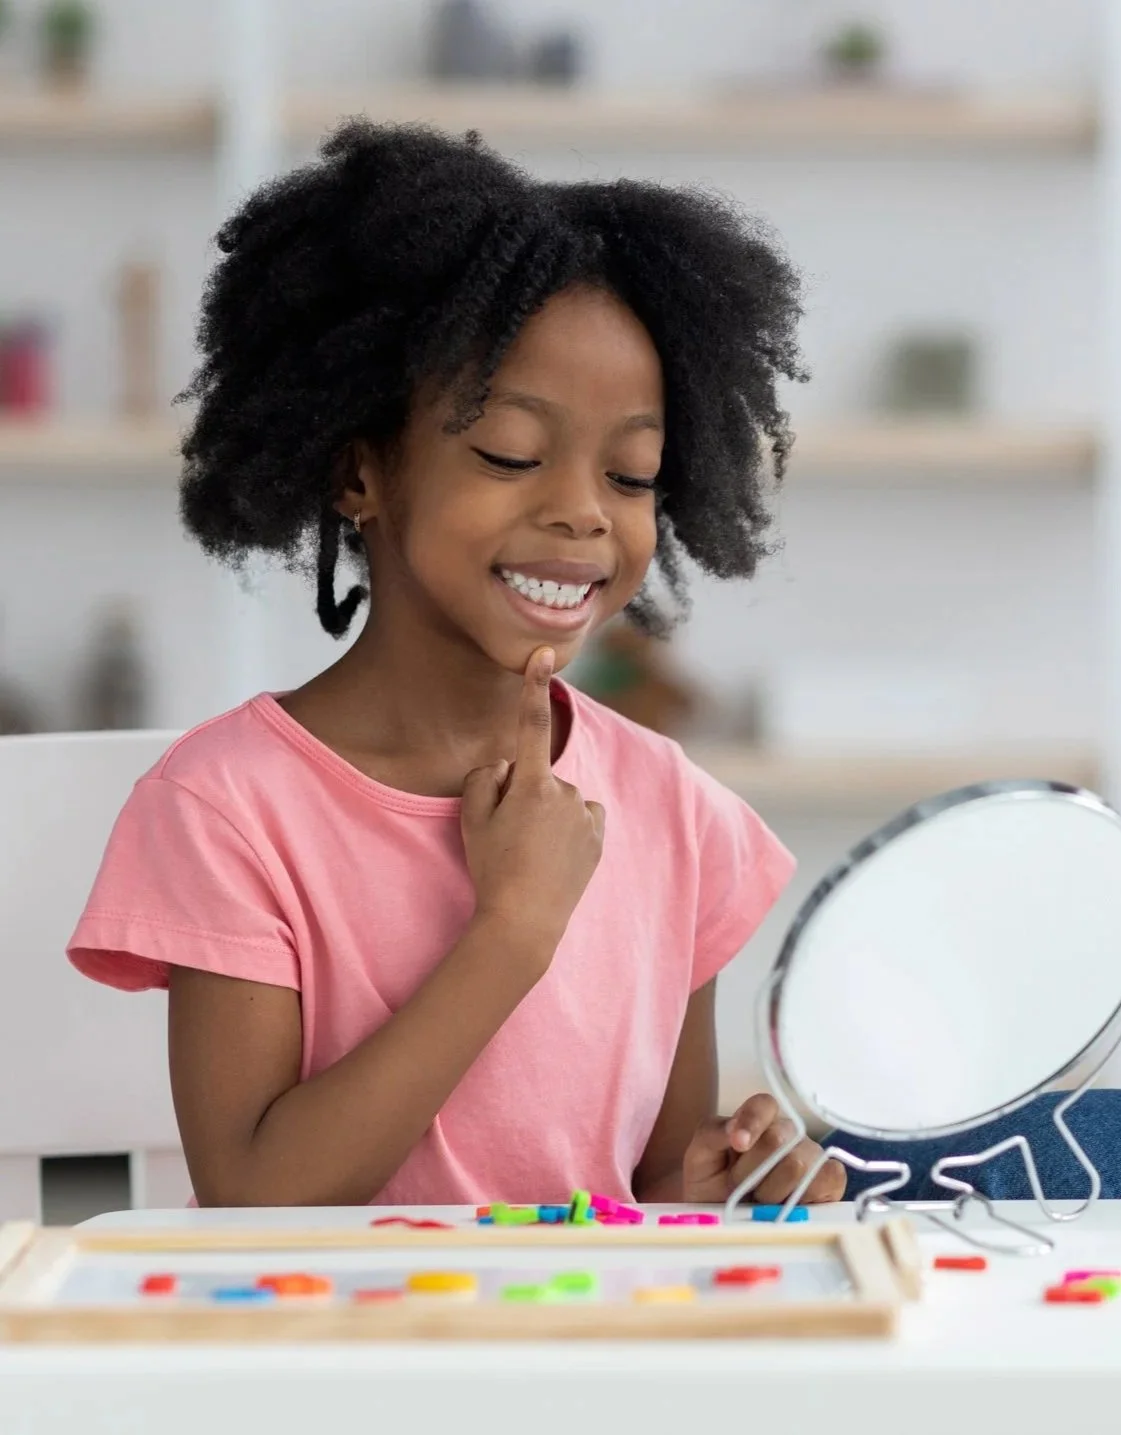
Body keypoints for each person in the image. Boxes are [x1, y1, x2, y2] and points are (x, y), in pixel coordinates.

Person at [66, 119, 847, 1210]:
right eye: (510, 456)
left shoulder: (672, 811)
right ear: (357, 472)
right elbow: (254, 1199)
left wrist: (724, 1184)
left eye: (630, 476)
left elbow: (647, 1181)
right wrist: (512, 932)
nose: (581, 511)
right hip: (319, 1370)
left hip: (583, 1363)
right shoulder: (229, 808)